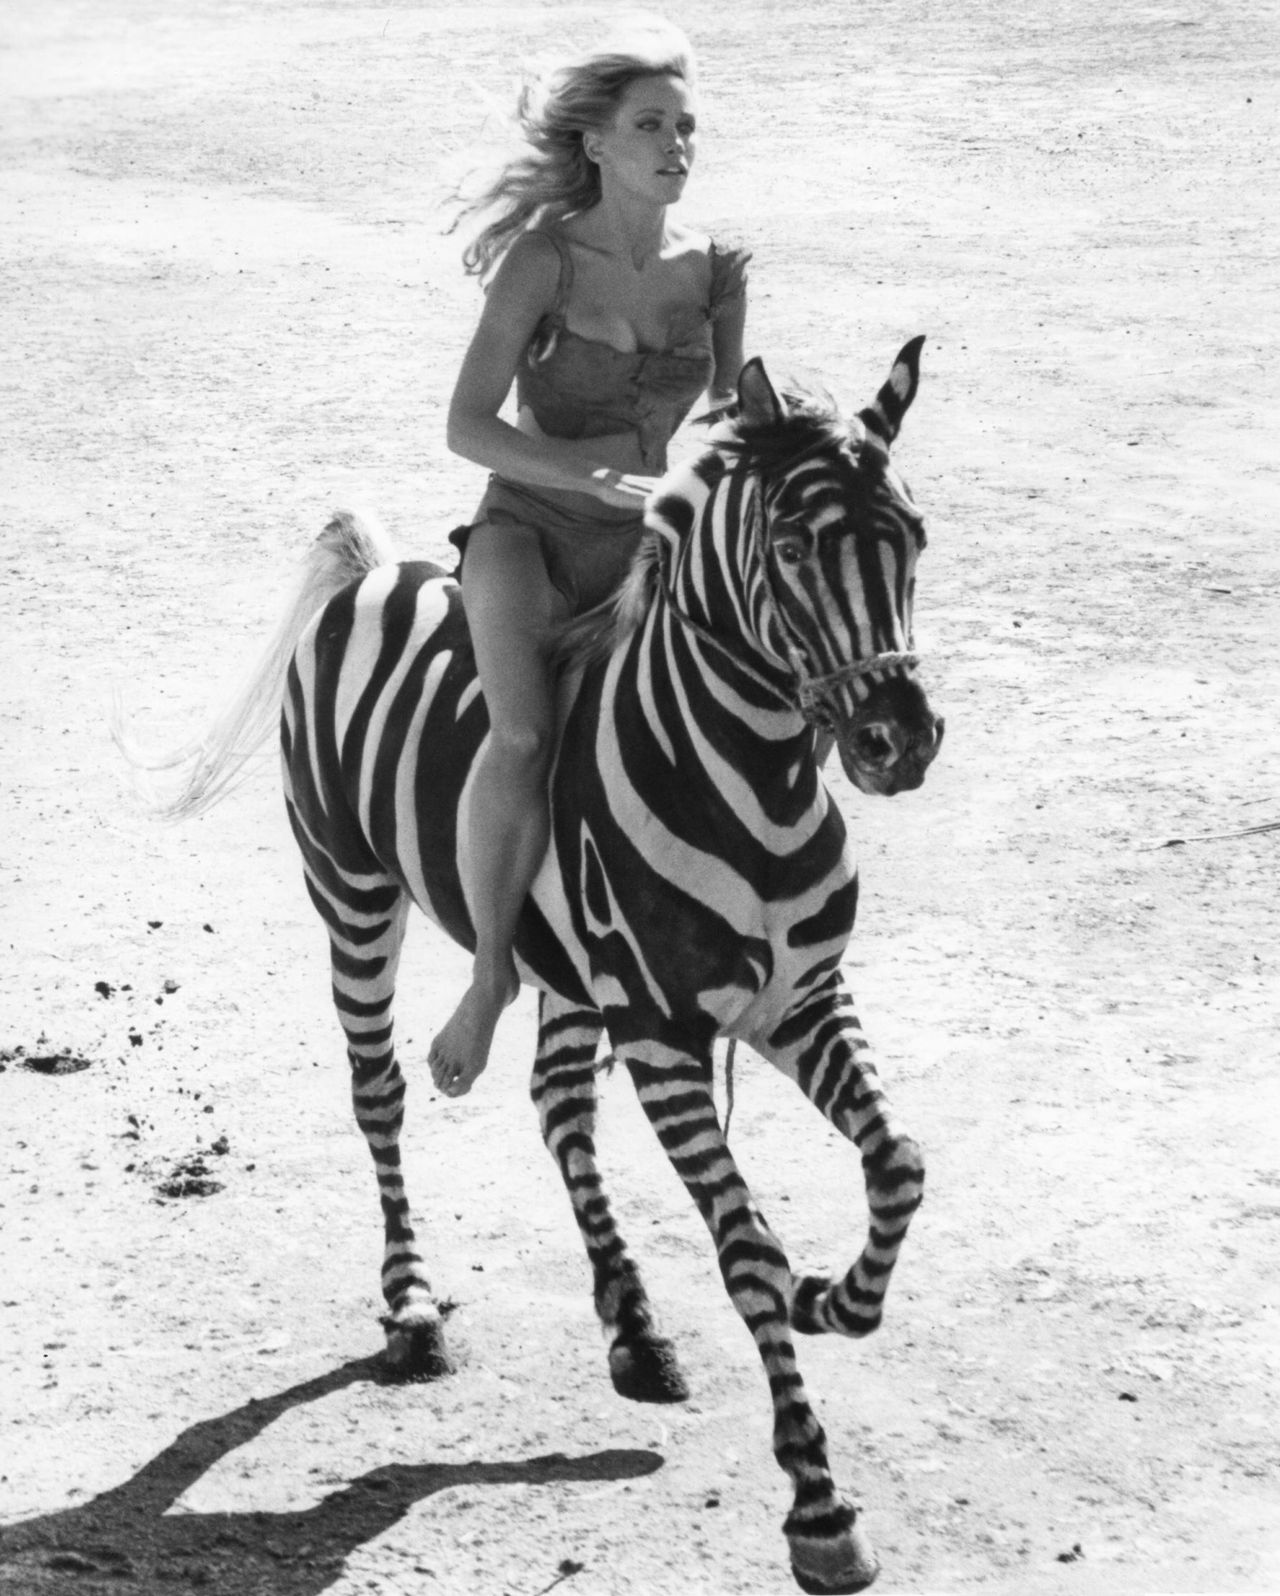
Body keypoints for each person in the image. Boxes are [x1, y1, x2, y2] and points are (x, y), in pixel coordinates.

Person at [428, 14, 750, 1098]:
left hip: (645, 552)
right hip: (525, 535)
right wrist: (581, 478)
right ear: (599, 143)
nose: (676, 146)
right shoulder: (542, 260)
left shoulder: (711, 271)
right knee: (522, 736)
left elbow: (724, 421)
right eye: (651, 125)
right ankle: (487, 979)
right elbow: (466, 427)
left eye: (687, 127)